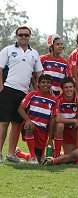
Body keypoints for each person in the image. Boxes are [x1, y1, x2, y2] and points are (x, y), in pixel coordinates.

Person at [0, 26, 43, 163]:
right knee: (3, 123)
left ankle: (11, 154)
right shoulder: (8, 50)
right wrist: (1, 87)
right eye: (21, 35)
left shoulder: (34, 53)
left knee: (17, 124)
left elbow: (39, 74)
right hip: (8, 89)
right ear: (16, 36)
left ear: (30, 36)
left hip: (24, 92)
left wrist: (39, 92)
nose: (23, 37)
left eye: (26, 35)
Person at [16, 74, 57, 164]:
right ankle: (32, 157)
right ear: (38, 84)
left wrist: (50, 138)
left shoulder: (54, 100)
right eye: (43, 82)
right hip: (31, 125)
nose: (45, 84)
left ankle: (19, 154)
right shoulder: (32, 94)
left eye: (48, 82)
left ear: (51, 85)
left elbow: (52, 120)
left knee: (40, 160)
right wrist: (27, 120)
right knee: (29, 127)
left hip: (42, 131)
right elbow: (20, 108)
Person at [54, 77, 78, 156]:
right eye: (66, 87)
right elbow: (57, 119)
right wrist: (74, 121)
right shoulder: (58, 100)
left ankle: (20, 153)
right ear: (62, 89)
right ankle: (57, 154)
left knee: (70, 155)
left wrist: (75, 121)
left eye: (70, 87)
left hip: (72, 129)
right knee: (60, 125)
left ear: (74, 88)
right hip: (61, 128)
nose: (68, 89)